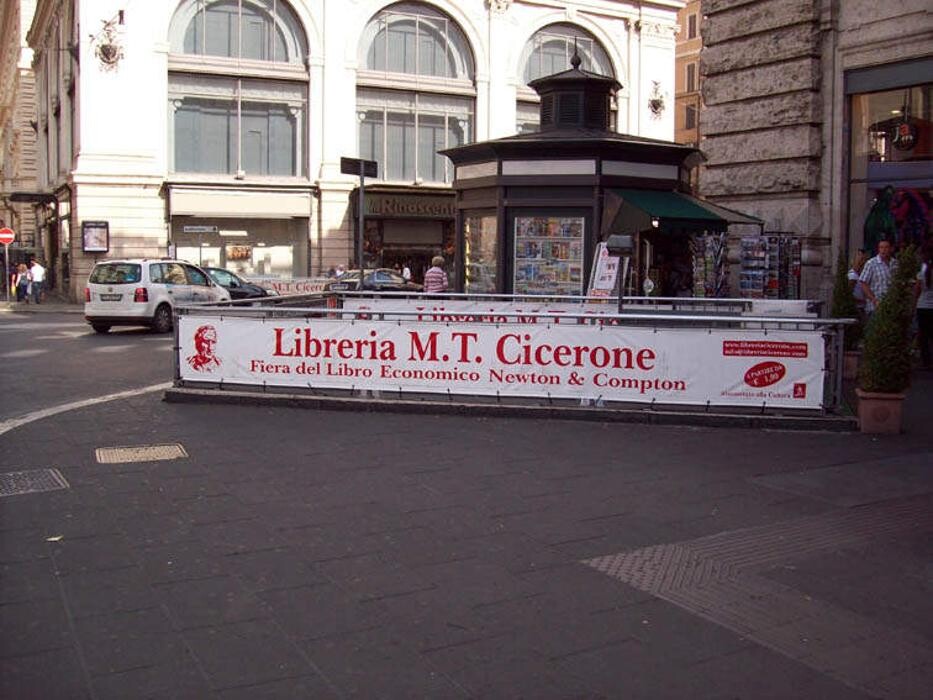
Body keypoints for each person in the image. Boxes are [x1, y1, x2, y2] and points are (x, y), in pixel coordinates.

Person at [858, 239, 896, 318]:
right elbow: (863, 283)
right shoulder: (871, 263)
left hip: (891, 306)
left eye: (886, 247)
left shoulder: (895, 263)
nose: (883, 250)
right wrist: (874, 299)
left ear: (891, 249)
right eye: (881, 248)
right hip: (875, 307)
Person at [916, 245, 933, 370]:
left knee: (923, 334)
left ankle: (926, 360)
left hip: (922, 305)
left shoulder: (922, 269)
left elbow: (917, 289)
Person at [847, 249, 868, 315]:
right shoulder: (853, 276)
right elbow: (848, 294)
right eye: (861, 259)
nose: (863, 262)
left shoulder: (861, 275)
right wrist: (862, 301)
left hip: (862, 307)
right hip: (857, 308)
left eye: (864, 259)